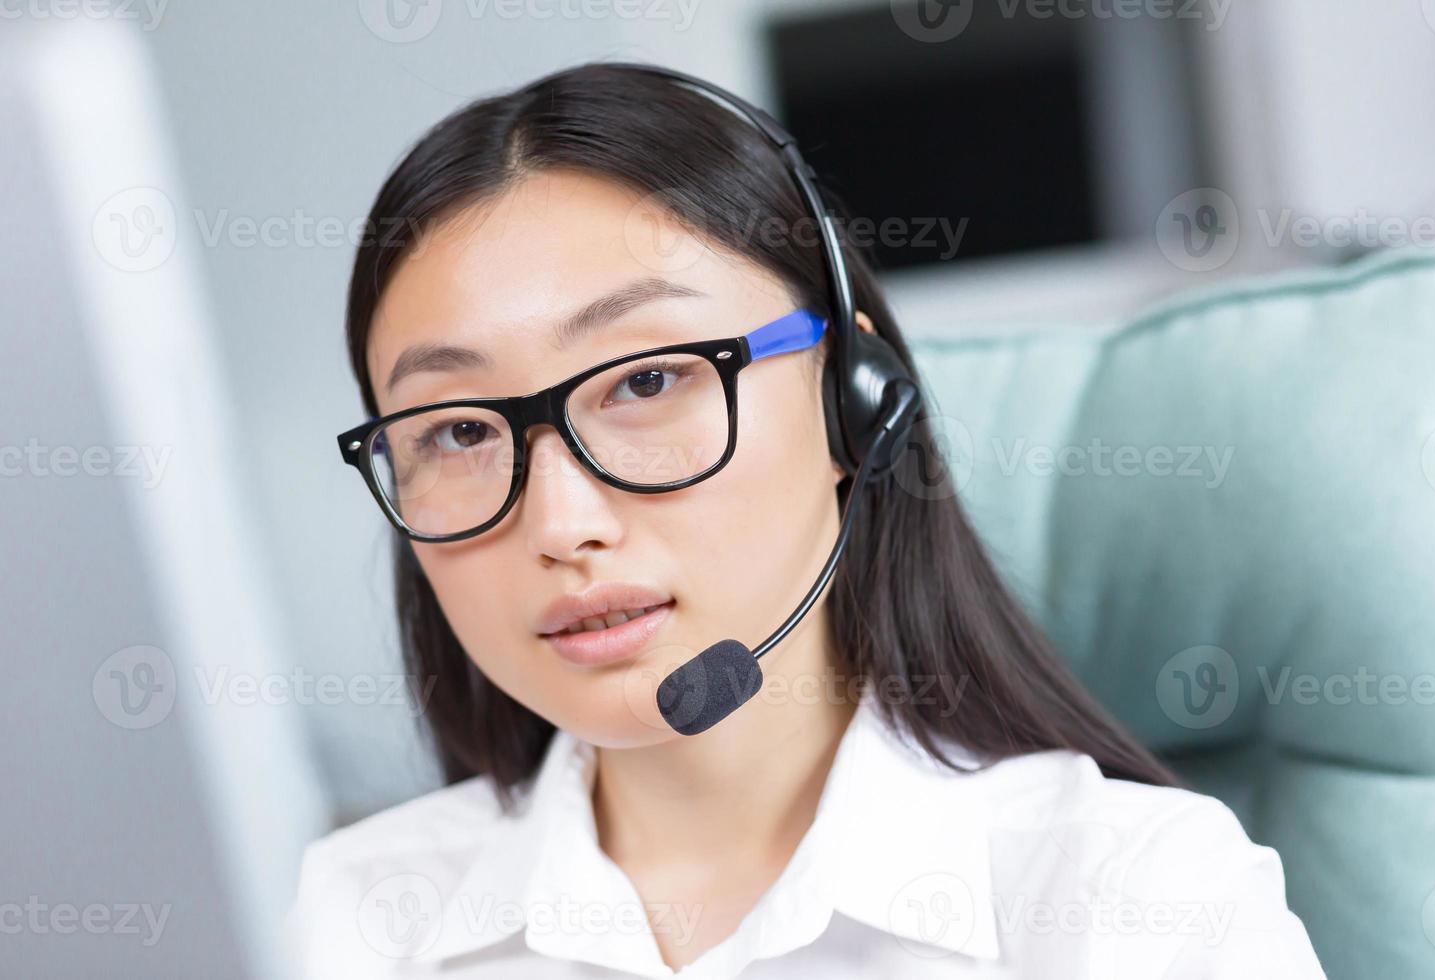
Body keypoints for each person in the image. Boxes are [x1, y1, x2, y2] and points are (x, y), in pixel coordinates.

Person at [287, 62, 1328, 978]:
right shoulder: (351, 921)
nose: (561, 521)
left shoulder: (1138, 903)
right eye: (458, 432)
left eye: (649, 378)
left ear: (853, 400)